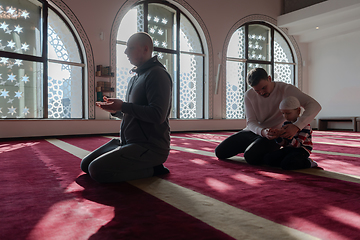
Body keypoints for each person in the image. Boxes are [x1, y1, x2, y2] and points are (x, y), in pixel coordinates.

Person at [80, 32, 172, 183]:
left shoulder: (158, 75)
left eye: (130, 48)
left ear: (145, 49)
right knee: (85, 165)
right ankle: (125, 153)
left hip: (150, 147)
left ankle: (155, 169)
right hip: (128, 142)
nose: (125, 52)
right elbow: (136, 113)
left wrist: (123, 106)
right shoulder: (135, 78)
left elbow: (157, 115)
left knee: (97, 171)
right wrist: (117, 111)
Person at [215, 68, 321, 166]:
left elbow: (315, 105)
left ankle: (301, 160)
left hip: (274, 136)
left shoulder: (286, 89)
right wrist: (263, 131)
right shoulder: (249, 95)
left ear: (269, 79)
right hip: (257, 132)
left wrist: (297, 126)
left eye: (263, 88)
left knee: (251, 157)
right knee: (220, 152)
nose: (261, 92)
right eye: (257, 90)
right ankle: (255, 146)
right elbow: (251, 122)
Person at [263, 96, 318, 170]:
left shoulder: (305, 125)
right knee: (268, 159)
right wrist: (277, 137)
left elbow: (298, 145)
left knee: (288, 164)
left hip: (301, 150)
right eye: (283, 113)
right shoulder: (286, 124)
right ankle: (287, 160)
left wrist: (288, 136)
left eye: (288, 113)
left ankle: (308, 162)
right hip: (289, 148)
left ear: (298, 111)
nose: (285, 116)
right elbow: (284, 144)